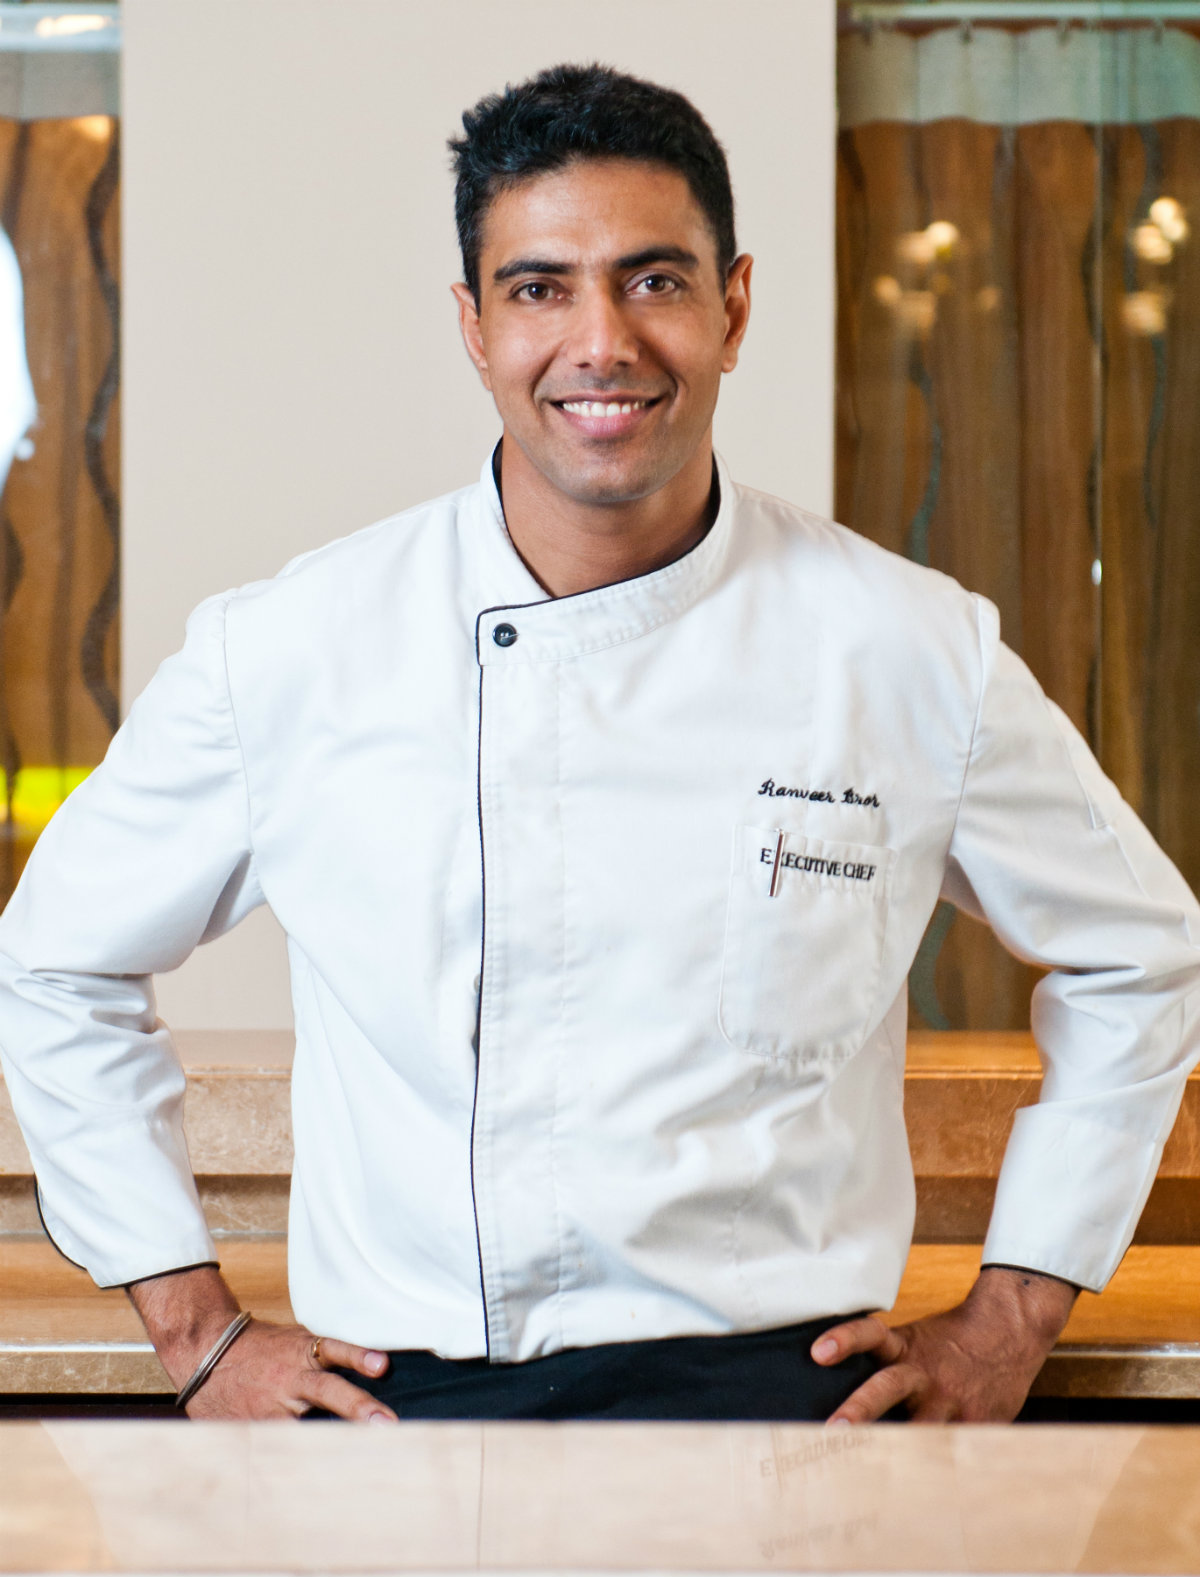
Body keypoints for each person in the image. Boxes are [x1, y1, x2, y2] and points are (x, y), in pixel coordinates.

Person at [1, 63, 1198, 1426]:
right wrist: (196, 1331)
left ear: (733, 307)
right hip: (404, 1415)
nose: (601, 341)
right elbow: (53, 959)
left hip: (786, 1415)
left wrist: (1014, 1313)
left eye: (654, 281)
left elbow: (1143, 952)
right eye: (538, 288)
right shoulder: (292, 648)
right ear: (473, 325)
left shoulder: (909, 646)